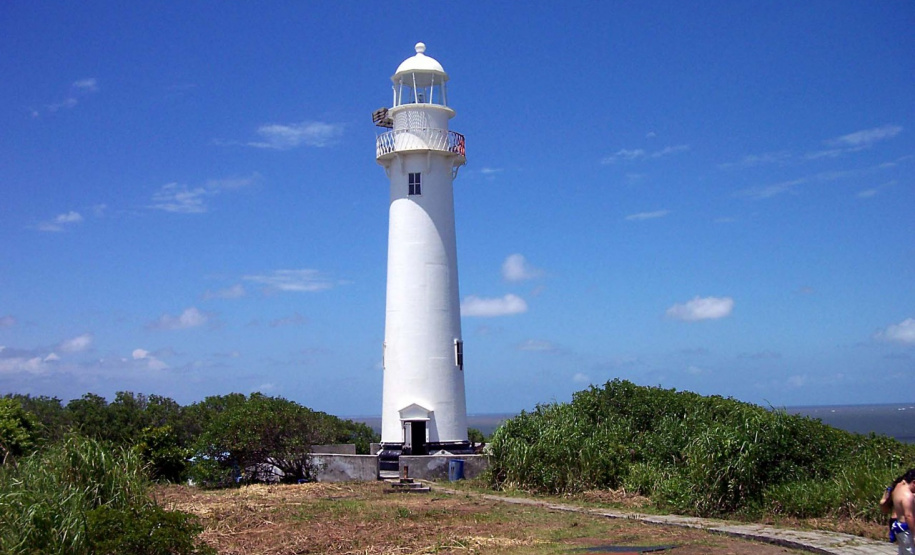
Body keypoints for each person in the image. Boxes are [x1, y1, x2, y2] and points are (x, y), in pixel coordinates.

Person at [883, 469, 915, 554]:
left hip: (898, 527)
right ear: (914, 482)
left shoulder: (898, 487)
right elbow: (909, 516)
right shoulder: (908, 496)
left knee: (902, 551)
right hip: (906, 530)